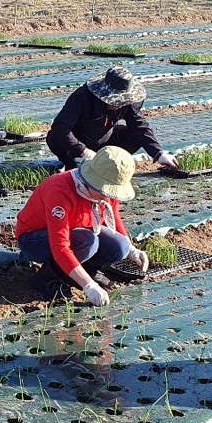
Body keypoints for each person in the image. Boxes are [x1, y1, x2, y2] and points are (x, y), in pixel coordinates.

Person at [15, 146, 150, 306]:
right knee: (88, 242)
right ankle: (46, 278)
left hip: (79, 231)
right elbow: (60, 247)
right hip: (34, 240)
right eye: (104, 192)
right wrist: (89, 285)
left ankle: (85, 271)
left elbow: (113, 216)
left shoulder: (106, 189)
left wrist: (132, 249)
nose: (107, 197)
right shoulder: (60, 190)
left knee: (120, 246)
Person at [47, 66, 180, 170]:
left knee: (135, 135)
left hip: (105, 140)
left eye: (122, 101)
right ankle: (73, 165)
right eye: (115, 101)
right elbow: (60, 127)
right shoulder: (82, 98)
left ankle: (112, 163)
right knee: (54, 137)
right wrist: (83, 151)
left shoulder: (129, 101)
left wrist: (158, 153)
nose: (118, 105)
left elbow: (139, 125)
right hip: (78, 141)